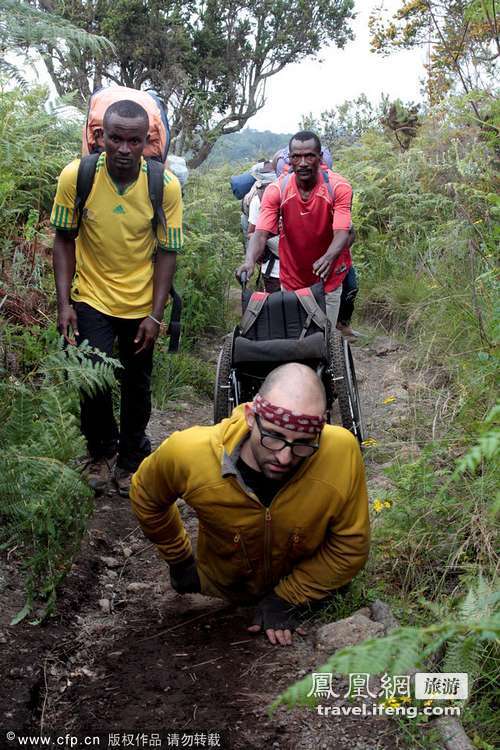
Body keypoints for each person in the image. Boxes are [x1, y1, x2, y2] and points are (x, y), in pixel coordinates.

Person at [130, 363, 370, 646]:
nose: (284, 457)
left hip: (307, 589)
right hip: (220, 587)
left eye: (303, 444)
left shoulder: (340, 451)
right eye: (273, 437)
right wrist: (180, 558)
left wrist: (288, 597)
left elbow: (351, 544)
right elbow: (146, 494)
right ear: (249, 417)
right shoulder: (189, 453)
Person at [51, 99, 183, 496]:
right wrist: (64, 304)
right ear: (100, 137)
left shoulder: (165, 185)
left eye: (134, 140)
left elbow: (167, 252)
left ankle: (131, 459)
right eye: (116, 139)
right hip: (91, 297)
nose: (125, 149)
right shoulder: (78, 177)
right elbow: (63, 238)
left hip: (142, 302)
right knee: (93, 379)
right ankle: (101, 451)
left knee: (137, 385)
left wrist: (156, 315)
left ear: (146, 142)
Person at [236, 131, 353, 328]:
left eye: (309, 156)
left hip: (329, 277)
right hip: (293, 278)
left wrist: (328, 257)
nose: (303, 162)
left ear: (320, 158)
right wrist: (249, 262)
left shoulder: (339, 187)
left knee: (326, 339)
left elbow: (342, 230)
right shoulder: (277, 190)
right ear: (289, 160)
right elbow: (261, 232)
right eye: (296, 157)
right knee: (294, 339)